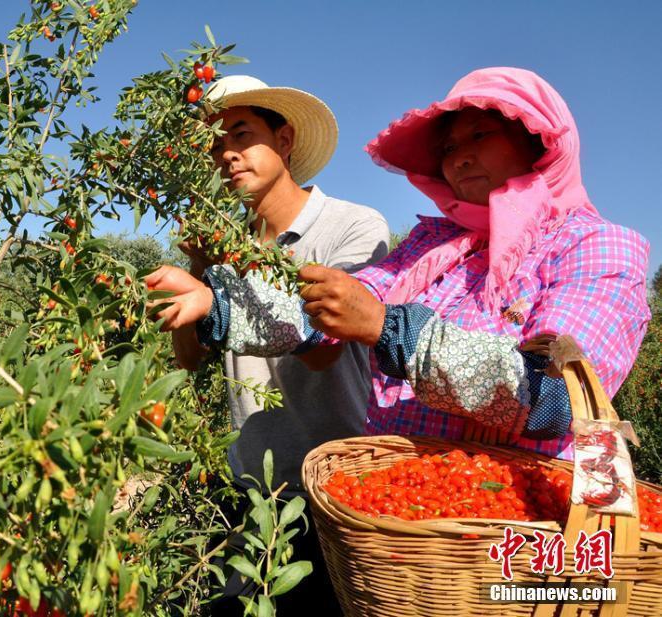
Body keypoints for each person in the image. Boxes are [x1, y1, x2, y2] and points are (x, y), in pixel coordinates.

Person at [147, 67, 651, 464]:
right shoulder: (432, 248)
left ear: (537, 140)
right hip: (396, 517)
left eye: (480, 135)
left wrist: (388, 328)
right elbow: (328, 312)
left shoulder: (598, 247)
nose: (460, 157)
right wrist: (215, 303)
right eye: (450, 147)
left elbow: (558, 398)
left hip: (506, 529)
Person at [172, 75, 388, 614]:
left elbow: (325, 345)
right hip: (247, 486)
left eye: (241, 134)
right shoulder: (222, 245)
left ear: (285, 140)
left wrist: (224, 290)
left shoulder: (353, 227)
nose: (227, 154)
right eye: (215, 145)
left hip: (334, 492)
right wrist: (201, 271)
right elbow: (190, 358)